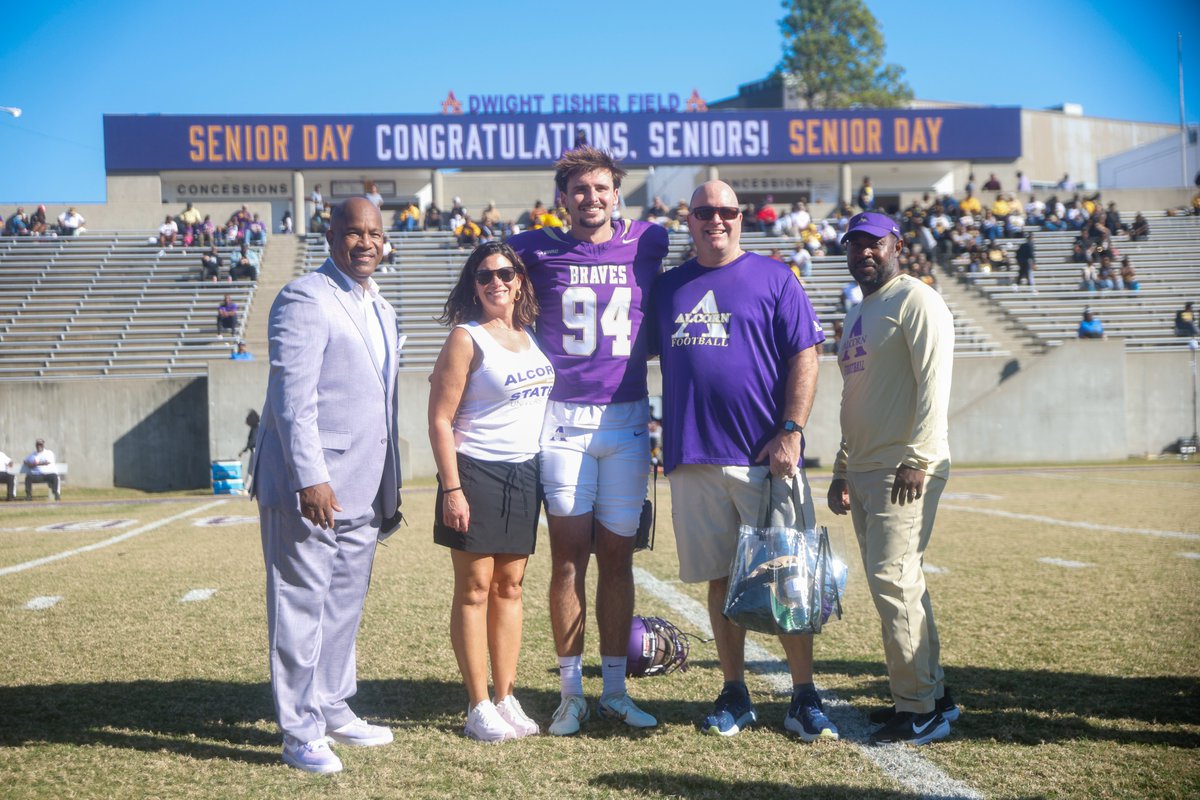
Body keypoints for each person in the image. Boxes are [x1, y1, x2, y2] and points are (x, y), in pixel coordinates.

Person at [651, 180, 834, 740]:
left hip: (764, 457)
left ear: (740, 217)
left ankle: (804, 695)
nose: (716, 220)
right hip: (693, 457)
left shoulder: (775, 277)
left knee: (787, 577)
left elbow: (807, 351)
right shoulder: (668, 289)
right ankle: (735, 692)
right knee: (720, 580)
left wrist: (791, 430)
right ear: (690, 220)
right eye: (705, 211)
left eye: (726, 211)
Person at [508, 146, 669, 736]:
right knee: (569, 559)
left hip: (626, 421)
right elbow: (488, 293)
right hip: (561, 420)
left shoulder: (649, 241)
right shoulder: (530, 249)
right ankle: (571, 691)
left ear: (616, 193)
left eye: (601, 188)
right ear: (562, 197)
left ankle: (617, 691)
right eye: (579, 189)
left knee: (619, 558)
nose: (591, 198)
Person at [250, 197, 402, 774]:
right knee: (300, 605)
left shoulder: (381, 307)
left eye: (374, 234)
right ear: (331, 234)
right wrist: (311, 477)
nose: (364, 243)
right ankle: (299, 730)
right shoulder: (304, 298)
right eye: (353, 233)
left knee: (343, 605)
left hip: (364, 483)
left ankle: (332, 703)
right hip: (310, 486)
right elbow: (293, 401)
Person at [826, 211, 959, 746]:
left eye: (873, 243)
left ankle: (918, 709)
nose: (864, 253)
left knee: (893, 580)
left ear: (897, 245)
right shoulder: (862, 310)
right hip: (864, 466)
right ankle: (930, 695)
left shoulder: (916, 299)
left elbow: (935, 382)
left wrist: (919, 457)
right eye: (854, 245)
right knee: (902, 582)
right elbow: (853, 398)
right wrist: (840, 465)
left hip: (901, 466)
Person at [428, 242, 553, 742]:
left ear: (520, 278)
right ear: (473, 285)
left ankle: (506, 696)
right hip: (475, 470)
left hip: (525, 472)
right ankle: (478, 705)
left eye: (504, 273)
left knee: (511, 588)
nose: (495, 282)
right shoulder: (466, 337)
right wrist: (451, 488)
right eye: (484, 276)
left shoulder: (529, 335)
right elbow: (439, 418)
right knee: (475, 589)